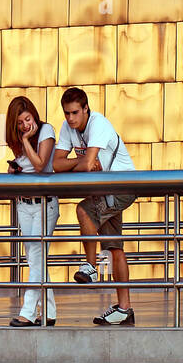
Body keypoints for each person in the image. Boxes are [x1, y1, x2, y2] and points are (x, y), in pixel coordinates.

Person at [52, 86, 135, 326]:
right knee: (114, 247)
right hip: (105, 190)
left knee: (83, 210)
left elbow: (88, 166)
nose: (70, 118)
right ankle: (124, 309)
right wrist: (81, 160)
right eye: (67, 113)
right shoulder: (68, 127)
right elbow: (57, 164)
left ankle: (89, 266)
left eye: (75, 113)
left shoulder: (98, 124)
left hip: (122, 186)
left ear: (86, 109)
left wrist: (82, 162)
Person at [4, 95, 59, 327]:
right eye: (19, 123)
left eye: (27, 119)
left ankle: (27, 312)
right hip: (24, 205)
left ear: (34, 115)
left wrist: (27, 139)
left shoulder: (46, 131)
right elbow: (25, 168)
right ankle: (49, 313)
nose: (25, 125)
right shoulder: (16, 141)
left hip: (44, 204)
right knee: (35, 260)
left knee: (36, 259)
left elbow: (39, 165)